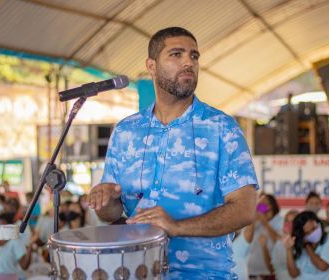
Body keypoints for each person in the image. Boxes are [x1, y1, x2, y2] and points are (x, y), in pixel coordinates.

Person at [87, 26, 258, 279]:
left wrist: (177, 227)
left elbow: (245, 209)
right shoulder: (126, 131)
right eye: (176, 54)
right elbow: (112, 213)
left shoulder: (221, 127)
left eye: (194, 56)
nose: (188, 62)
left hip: (204, 274)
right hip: (137, 271)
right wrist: (104, 200)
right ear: (152, 66)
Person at [284, 211, 329, 279]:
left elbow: (322, 266)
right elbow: (294, 274)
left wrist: (307, 246)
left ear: (319, 224)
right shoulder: (299, 246)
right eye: (307, 233)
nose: (312, 233)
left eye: (314, 228)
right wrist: (289, 249)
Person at [247, 194, 283, 279]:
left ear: (271, 205)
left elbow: (279, 243)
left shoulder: (279, 220)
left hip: (268, 272)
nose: (259, 205)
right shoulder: (256, 220)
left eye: (263, 203)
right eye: (259, 202)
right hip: (251, 270)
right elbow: (247, 239)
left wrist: (265, 222)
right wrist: (255, 218)